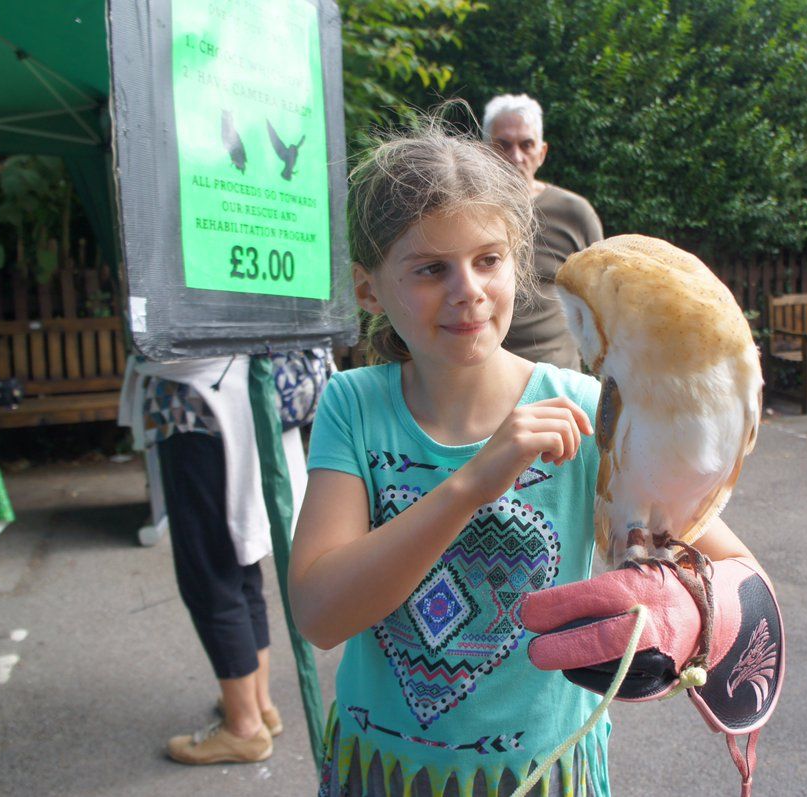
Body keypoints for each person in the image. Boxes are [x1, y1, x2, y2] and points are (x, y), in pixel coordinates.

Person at [288, 123, 757, 797]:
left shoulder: (587, 411)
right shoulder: (354, 406)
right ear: (368, 289)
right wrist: (470, 485)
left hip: (544, 774)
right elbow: (319, 615)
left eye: (488, 259)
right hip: (385, 776)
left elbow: (738, 575)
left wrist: (683, 613)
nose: (468, 290)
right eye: (430, 269)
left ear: (518, 263)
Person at [118, 354, 309, 765]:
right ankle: (257, 705)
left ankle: (244, 727)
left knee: (210, 573)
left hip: (201, 406)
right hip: (253, 396)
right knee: (240, 562)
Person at [482, 94, 603, 371]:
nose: (516, 157)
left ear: (542, 152)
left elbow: (601, 301)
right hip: (482, 381)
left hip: (556, 380)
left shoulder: (574, 213)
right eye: (503, 145)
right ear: (484, 151)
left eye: (526, 145)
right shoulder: (465, 215)